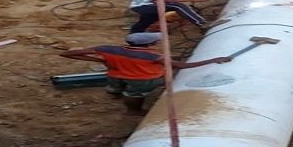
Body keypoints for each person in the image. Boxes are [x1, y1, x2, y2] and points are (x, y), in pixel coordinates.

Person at [60, 32, 232, 114]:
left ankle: (115, 94)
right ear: (149, 45)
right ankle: (133, 111)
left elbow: (67, 53)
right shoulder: (153, 56)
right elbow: (181, 66)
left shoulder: (108, 49)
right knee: (135, 95)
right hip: (143, 79)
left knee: (115, 88)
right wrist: (213, 60)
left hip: (115, 74)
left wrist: (99, 60)